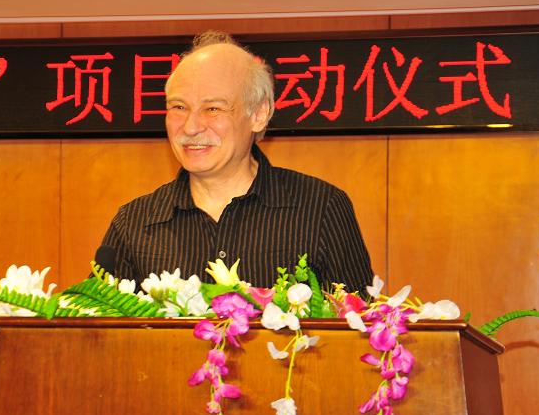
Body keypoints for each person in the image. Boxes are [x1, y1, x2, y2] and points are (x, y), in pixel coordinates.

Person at [95, 31, 373, 293]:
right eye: (179, 107)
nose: (190, 127)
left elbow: (359, 320)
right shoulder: (134, 222)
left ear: (259, 115)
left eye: (213, 108)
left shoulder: (321, 208)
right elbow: (95, 321)